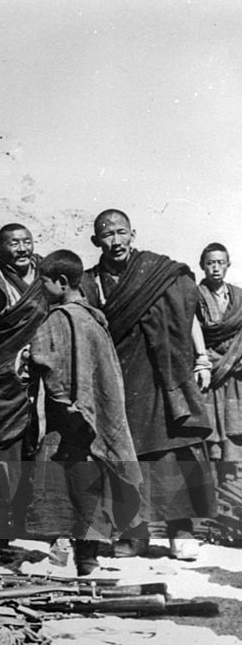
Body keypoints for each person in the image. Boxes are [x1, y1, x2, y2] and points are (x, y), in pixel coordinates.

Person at [80, 209, 216, 560]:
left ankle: (181, 532)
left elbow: (189, 317)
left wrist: (201, 358)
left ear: (133, 234)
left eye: (121, 232)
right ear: (97, 241)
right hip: (116, 379)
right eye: (107, 235)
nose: (116, 241)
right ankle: (133, 534)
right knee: (124, 454)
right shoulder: (89, 281)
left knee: (172, 452)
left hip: (163, 376)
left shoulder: (159, 273)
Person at [21, 250, 142, 575]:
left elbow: (52, 368)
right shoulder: (93, 318)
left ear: (61, 283)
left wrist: (29, 364)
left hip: (69, 421)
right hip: (92, 420)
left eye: (43, 282)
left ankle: (79, 559)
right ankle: (85, 556)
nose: (41, 288)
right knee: (89, 486)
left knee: (67, 486)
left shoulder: (60, 319)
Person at [0, 224, 49, 541]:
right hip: (4, 378)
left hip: (41, 375)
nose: (22, 249)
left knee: (37, 447)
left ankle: (27, 522)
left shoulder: (45, 271)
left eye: (27, 241)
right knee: (3, 450)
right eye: (13, 243)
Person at [196, 243, 242, 463]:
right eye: (210, 263)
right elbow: (190, 332)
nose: (215, 268)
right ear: (202, 266)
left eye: (220, 263)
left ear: (228, 265)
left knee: (236, 430)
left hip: (236, 373)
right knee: (211, 440)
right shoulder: (194, 297)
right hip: (209, 373)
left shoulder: (239, 297)